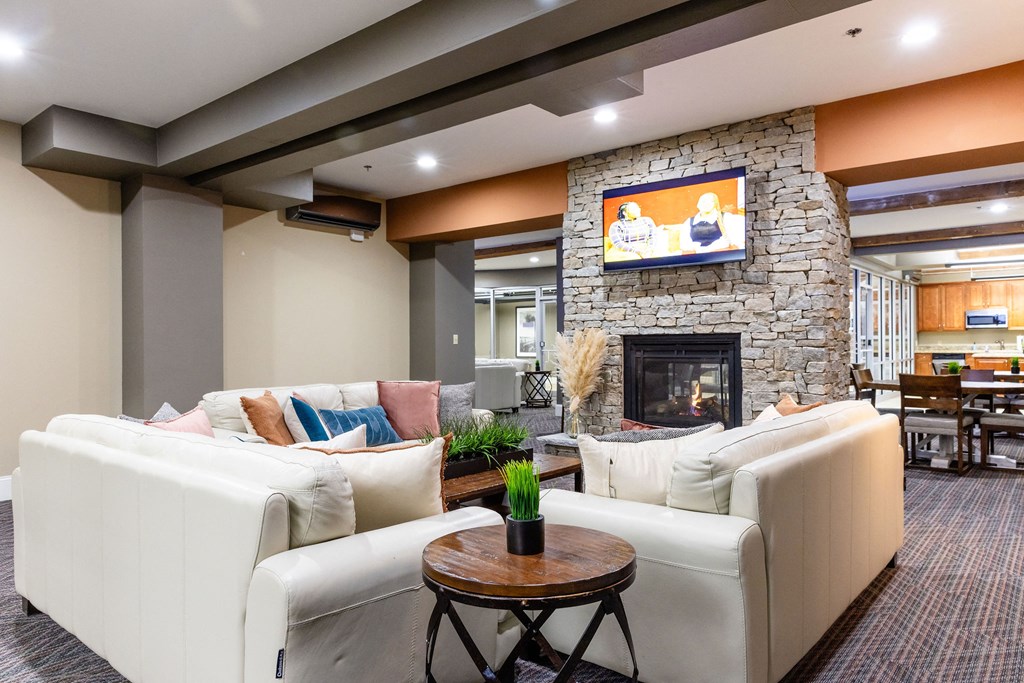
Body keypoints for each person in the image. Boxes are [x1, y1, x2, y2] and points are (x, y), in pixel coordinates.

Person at [679, 192, 744, 253]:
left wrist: (708, 249)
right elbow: (684, 243)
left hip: (719, 254)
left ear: (715, 204)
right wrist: (697, 249)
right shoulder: (689, 221)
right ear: (698, 204)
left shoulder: (725, 217)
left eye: (710, 201)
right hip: (696, 256)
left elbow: (729, 239)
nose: (706, 204)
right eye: (703, 201)